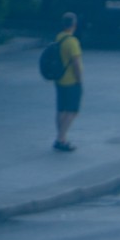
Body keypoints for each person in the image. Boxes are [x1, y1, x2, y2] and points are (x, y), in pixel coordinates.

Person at [51, 13, 83, 152]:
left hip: (59, 79)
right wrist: (79, 79)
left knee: (61, 109)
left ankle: (61, 137)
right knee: (72, 111)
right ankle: (60, 138)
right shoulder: (72, 42)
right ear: (74, 25)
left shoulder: (59, 37)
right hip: (71, 81)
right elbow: (76, 63)